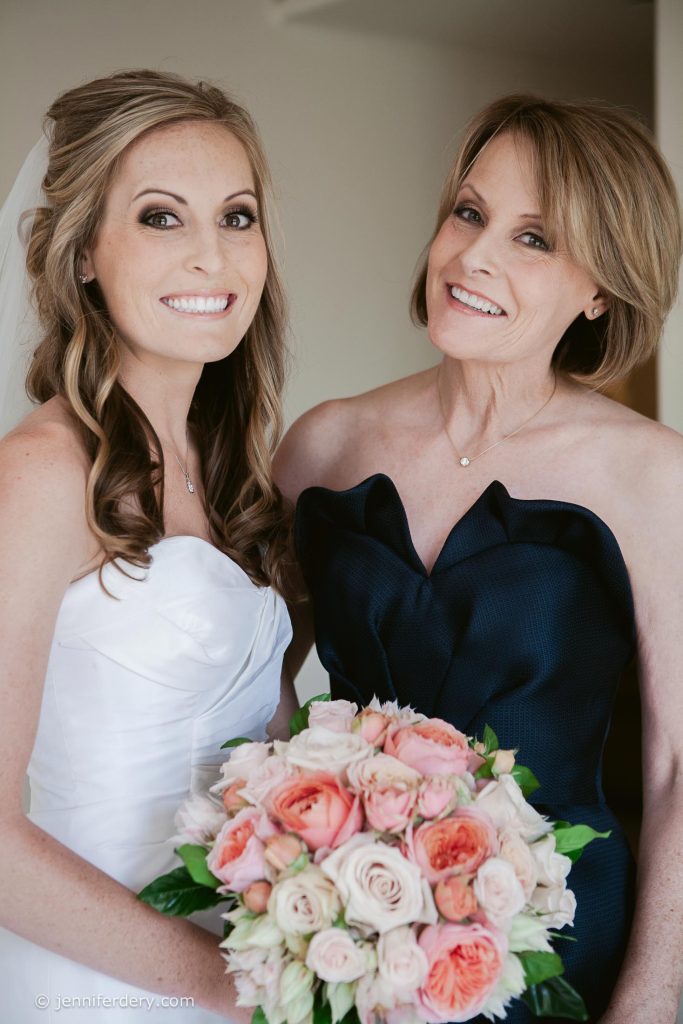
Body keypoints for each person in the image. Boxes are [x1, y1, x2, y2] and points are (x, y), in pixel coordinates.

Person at [275, 95, 683, 1023]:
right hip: (348, 936)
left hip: (561, 946)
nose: (474, 256)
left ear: (598, 290)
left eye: (533, 238)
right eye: (469, 212)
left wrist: (649, 1007)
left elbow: (674, 773)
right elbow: (259, 689)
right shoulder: (323, 446)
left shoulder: (653, 477)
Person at [0, 69, 298, 1022]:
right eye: (163, 218)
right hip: (97, 987)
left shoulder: (243, 480)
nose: (213, 258)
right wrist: (232, 986)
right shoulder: (44, 474)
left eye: (237, 216)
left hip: (256, 969)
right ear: (84, 251)